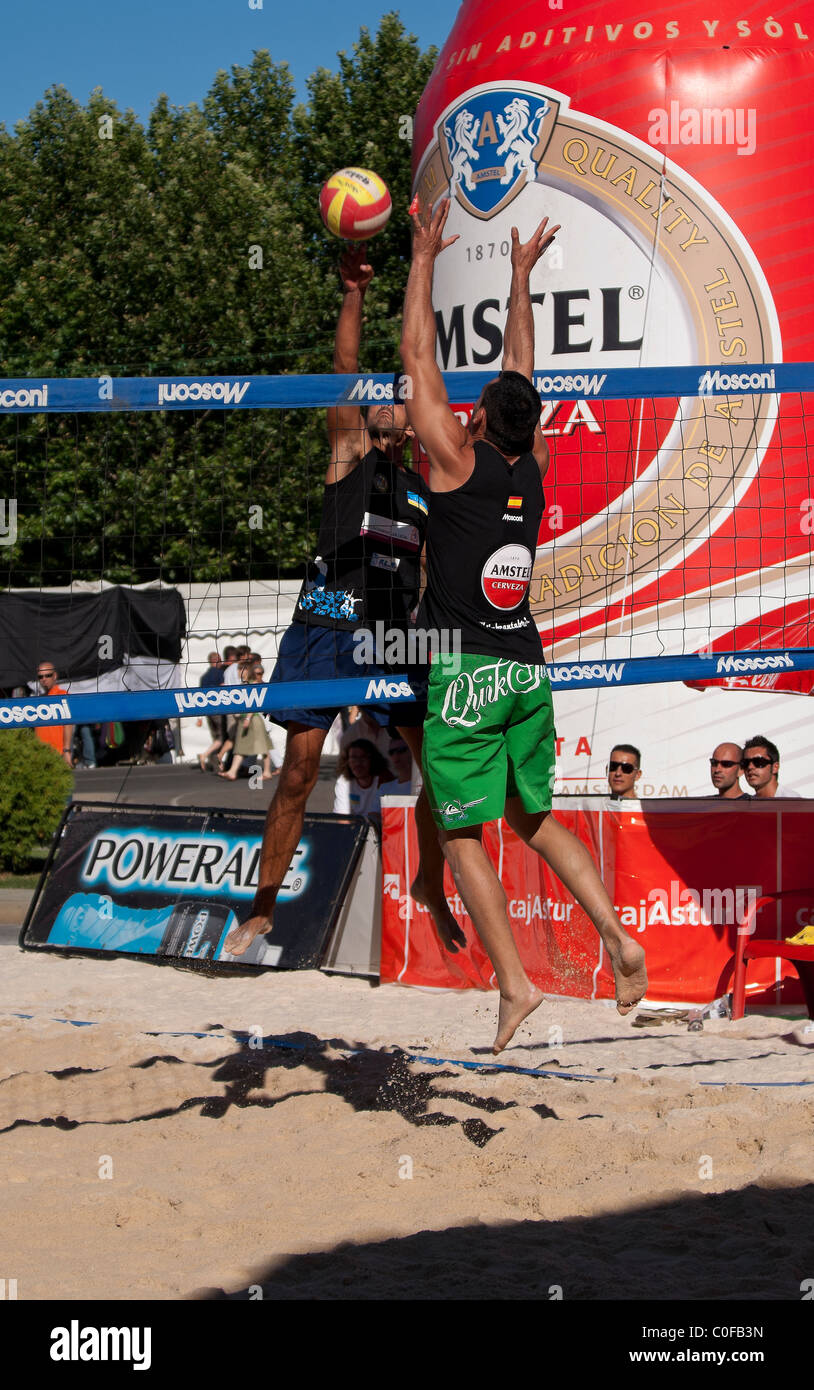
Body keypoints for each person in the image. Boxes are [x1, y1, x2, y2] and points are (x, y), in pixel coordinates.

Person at [399, 198, 647, 1052]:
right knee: (534, 821)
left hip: (466, 672)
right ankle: (617, 934)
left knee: (460, 830)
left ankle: (515, 984)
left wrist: (422, 257)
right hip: (526, 669)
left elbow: (418, 357)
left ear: (474, 419)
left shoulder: (454, 463)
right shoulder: (535, 466)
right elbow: (521, 377)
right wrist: (517, 276)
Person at [225, 246, 454, 956]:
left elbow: (428, 578)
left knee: (443, 769)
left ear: (411, 423)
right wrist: (353, 292)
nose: (384, 397)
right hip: (324, 630)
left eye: (397, 396)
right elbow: (343, 370)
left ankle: (431, 883)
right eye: (380, 394)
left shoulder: (424, 493)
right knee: (297, 771)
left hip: (390, 638)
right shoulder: (350, 453)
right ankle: (262, 908)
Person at [218, 663, 274, 781]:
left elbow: (253, 703)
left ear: (248, 671)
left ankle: (267, 772)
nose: (239, 672)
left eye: (242, 670)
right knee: (241, 746)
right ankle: (232, 771)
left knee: (262, 747)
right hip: (246, 719)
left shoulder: (253, 684)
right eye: (239, 670)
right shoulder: (245, 684)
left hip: (253, 719)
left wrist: (248, 718)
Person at [333, 738, 391, 815]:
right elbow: (342, 816)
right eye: (353, 757)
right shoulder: (343, 781)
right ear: (347, 761)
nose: (358, 763)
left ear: (373, 759)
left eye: (363, 757)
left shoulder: (384, 779)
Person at [34, 662, 74, 766]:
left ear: (55, 676)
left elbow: (68, 725)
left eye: (48, 675)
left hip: (58, 753)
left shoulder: (62, 695)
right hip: (39, 754)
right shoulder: (38, 699)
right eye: (40, 676)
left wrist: (66, 750)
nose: (44, 679)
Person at [197, 650, 226, 771]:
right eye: (220, 660)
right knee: (222, 737)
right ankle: (205, 755)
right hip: (218, 709)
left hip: (208, 710)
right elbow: (224, 688)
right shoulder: (220, 673)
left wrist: (199, 717)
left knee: (216, 738)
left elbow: (199, 696)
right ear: (216, 661)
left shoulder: (204, 677)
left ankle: (217, 764)